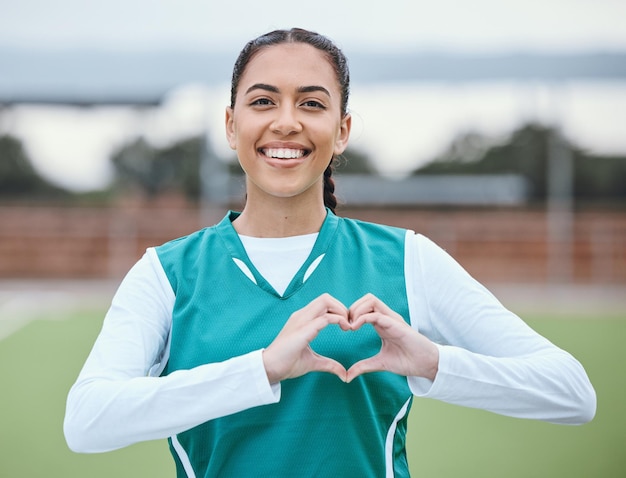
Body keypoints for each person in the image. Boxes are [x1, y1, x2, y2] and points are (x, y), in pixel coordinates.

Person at [64, 28, 596, 477]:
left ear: (341, 131)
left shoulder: (407, 259)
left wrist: (432, 363)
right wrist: (263, 369)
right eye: (263, 101)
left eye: (312, 103)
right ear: (232, 125)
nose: (287, 122)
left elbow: (572, 393)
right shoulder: (166, 273)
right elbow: (88, 420)